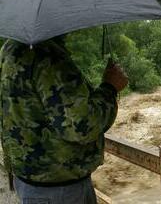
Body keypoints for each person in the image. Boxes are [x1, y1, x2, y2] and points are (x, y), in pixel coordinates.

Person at [0, 35, 128, 204]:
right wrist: (109, 87)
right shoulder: (48, 56)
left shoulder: (9, 48)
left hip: (30, 181)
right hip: (60, 190)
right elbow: (82, 127)